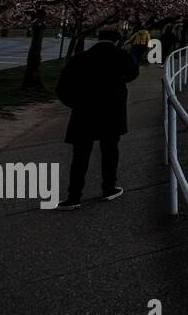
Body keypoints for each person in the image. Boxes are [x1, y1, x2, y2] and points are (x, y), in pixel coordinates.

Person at [54, 29, 139, 210]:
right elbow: (133, 74)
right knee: (110, 151)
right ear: (117, 40)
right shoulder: (122, 55)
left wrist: (76, 103)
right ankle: (108, 188)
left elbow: (63, 87)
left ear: (99, 39)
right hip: (111, 112)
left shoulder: (81, 58)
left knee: (80, 155)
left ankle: (74, 196)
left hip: (84, 112)